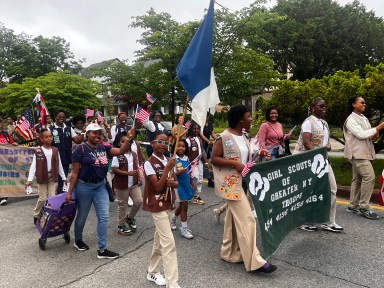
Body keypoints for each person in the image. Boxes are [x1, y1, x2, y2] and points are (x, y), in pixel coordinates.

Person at [211, 105, 277, 273]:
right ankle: (255, 261)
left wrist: (260, 152)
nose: (251, 119)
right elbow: (214, 159)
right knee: (248, 219)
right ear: (240, 118)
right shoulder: (223, 137)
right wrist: (234, 163)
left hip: (245, 183)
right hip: (231, 186)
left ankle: (229, 253)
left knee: (232, 221)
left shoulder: (245, 136)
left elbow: (247, 156)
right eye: (249, 116)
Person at [66, 123, 134, 259]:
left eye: (99, 133)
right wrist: (69, 192)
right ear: (87, 134)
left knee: (104, 217)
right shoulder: (80, 150)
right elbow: (74, 173)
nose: (97, 135)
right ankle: (78, 239)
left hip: (101, 186)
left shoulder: (105, 147)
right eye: (94, 133)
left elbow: (120, 151)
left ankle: (102, 249)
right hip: (84, 186)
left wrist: (128, 139)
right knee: (82, 216)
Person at [294, 97, 343, 232]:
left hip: (322, 160)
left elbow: (324, 142)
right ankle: (304, 220)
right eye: (321, 106)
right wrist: (319, 153)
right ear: (313, 106)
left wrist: (327, 146)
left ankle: (329, 221)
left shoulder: (324, 123)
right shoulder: (308, 123)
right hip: (309, 161)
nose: (324, 108)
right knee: (309, 191)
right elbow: (307, 143)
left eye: (325, 106)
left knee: (332, 189)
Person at [143, 131, 180, 288]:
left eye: (166, 143)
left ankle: (152, 271)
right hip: (157, 205)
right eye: (159, 142)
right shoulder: (149, 163)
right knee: (168, 243)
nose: (163, 145)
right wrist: (167, 170)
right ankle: (172, 283)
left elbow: (175, 182)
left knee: (159, 241)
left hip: (169, 204)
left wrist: (173, 183)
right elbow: (157, 187)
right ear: (152, 144)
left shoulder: (169, 160)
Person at [343, 96, 384, 219]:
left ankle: (353, 205)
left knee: (358, 179)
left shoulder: (363, 118)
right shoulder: (351, 120)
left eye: (364, 103)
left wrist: (373, 135)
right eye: (362, 103)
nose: (364, 104)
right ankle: (364, 207)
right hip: (357, 153)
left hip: (362, 152)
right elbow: (360, 134)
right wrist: (379, 127)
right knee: (369, 177)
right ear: (353, 104)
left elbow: (366, 133)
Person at [25, 129, 68, 224]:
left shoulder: (55, 150)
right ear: (41, 139)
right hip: (42, 176)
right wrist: (29, 180)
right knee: (43, 198)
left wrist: (64, 178)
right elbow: (33, 166)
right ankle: (36, 214)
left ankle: (48, 216)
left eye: (50, 136)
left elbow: (59, 164)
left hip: (53, 176)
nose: (49, 138)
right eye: (46, 137)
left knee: (52, 198)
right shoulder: (38, 151)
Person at [111, 131, 143, 236]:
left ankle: (130, 217)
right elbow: (114, 169)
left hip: (133, 184)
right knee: (122, 205)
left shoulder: (133, 154)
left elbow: (137, 166)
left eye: (127, 141)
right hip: (121, 185)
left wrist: (139, 176)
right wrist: (127, 173)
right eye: (122, 142)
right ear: (119, 144)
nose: (124, 143)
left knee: (139, 201)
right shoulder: (117, 155)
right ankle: (121, 226)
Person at [50, 109, 84, 194]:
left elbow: (77, 140)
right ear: (55, 117)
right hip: (54, 158)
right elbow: (45, 142)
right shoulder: (50, 128)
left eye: (63, 117)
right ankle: (54, 199)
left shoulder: (69, 129)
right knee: (56, 180)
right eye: (59, 117)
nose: (61, 118)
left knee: (63, 179)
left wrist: (83, 132)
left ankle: (60, 198)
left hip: (65, 159)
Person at [170, 139, 195, 239]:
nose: (181, 148)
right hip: (178, 185)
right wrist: (179, 172)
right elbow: (171, 174)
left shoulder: (186, 158)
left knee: (182, 205)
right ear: (175, 147)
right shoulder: (173, 159)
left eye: (183, 146)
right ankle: (184, 228)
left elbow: (189, 172)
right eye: (179, 146)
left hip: (186, 185)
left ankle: (173, 218)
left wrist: (192, 182)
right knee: (184, 206)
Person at [186, 122, 208, 205]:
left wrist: (205, 161)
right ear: (190, 129)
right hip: (192, 164)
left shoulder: (199, 139)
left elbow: (201, 151)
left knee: (200, 180)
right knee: (194, 180)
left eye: (198, 129)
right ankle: (188, 195)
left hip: (199, 163)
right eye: (194, 128)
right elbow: (186, 153)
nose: (196, 130)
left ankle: (196, 196)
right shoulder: (188, 140)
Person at [0, 117, 18, 205]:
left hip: (5, 161)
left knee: (4, 178)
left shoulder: (6, 134)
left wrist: (13, 144)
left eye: (0, 122)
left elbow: (11, 143)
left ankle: (3, 196)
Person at [200, 118, 216, 188]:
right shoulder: (200, 123)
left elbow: (212, 133)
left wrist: (218, 139)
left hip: (208, 144)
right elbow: (201, 135)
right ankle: (209, 180)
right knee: (205, 162)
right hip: (201, 144)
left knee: (213, 159)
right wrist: (208, 141)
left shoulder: (209, 123)